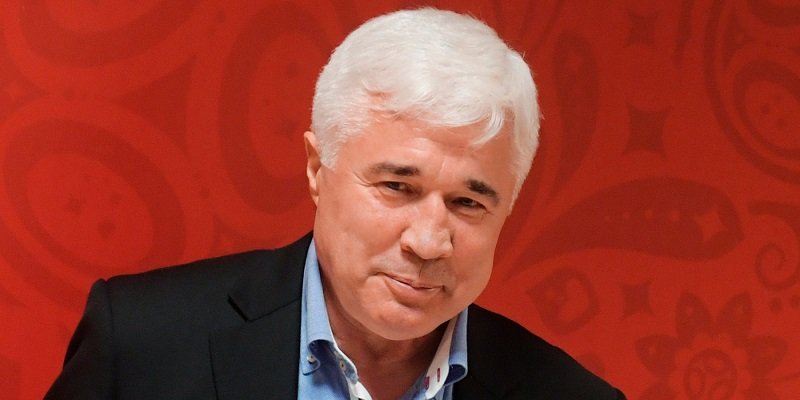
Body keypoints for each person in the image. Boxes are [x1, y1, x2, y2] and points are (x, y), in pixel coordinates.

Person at [46, 8, 625, 400]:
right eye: (397, 187)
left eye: (468, 202)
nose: (428, 241)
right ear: (316, 169)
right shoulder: (141, 345)